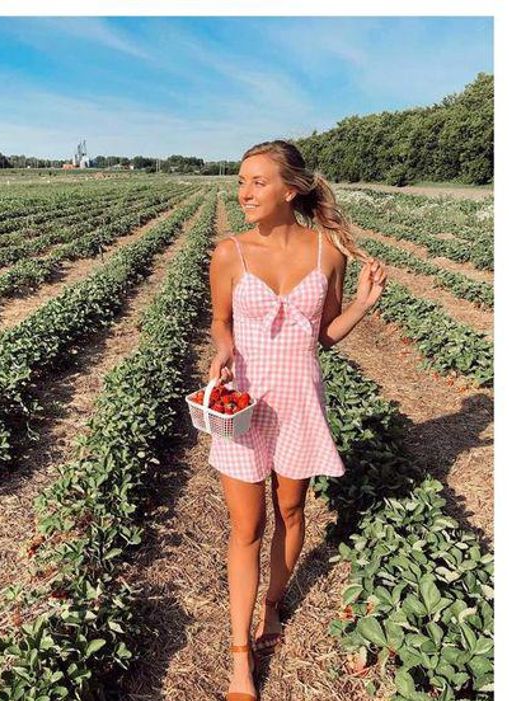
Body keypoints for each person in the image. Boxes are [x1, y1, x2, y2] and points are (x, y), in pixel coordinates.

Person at [207, 140, 386, 700]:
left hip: (300, 404)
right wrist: (222, 349)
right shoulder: (228, 253)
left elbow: (324, 335)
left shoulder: (324, 253)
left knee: (290, 508)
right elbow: (220, 323)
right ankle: (240, 659)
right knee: (246, 528)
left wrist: (361, 304)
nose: (244, 192)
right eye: (241, 182)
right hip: (243, 408)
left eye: (257, 182)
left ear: (291, 189)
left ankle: (274, 606)